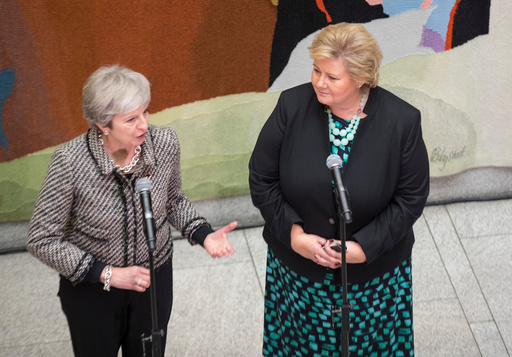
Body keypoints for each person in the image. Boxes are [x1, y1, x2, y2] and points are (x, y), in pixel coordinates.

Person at [27, 65, 238, 357]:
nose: (143, 125)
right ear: (103, 124)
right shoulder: (70, 162)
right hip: (93, 289)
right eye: (130, 119)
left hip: (154, 279)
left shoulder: (164, 143)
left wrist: (204, 234)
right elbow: (42, 239)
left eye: (145, 113)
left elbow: (174, 200)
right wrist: (107, 274)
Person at [249, 22, 429, 356]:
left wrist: (363, 248)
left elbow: (410, 199)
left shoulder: (402, 122)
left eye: (332, 77)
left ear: (362, 78)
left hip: (373, 279)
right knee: (301, 343)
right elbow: (262, 178)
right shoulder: (291, 107)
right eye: (316, 70)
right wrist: (294, 235)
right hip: (300, 272)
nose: (319, 82)